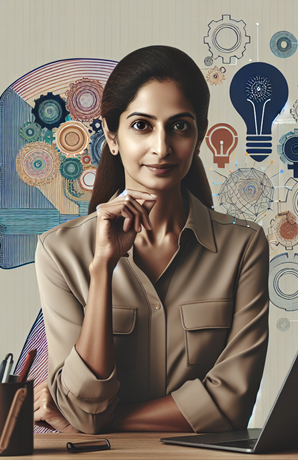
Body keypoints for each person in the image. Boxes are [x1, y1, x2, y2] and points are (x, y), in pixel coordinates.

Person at [33, 45, 269, 435]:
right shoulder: (60, 253)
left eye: (179, 126)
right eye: (142, 125)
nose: (162, 147)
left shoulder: (243, 247)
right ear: (112, 135)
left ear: (199, 137)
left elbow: (231, 404)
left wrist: (102, 425)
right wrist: (102, 269)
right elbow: (80, 404)